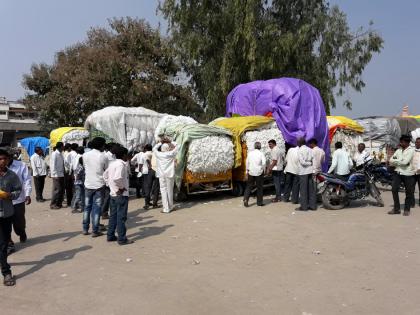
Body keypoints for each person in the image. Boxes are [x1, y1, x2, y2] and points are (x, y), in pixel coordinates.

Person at [0, 149, 22, 286]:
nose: (2, 161)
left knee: (3, 244)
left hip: (6, 214)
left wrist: (10, 195)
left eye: (4, 159)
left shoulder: (12, 175)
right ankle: (6, 269)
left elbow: (18, 190)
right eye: (0, 159)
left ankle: (6, 273)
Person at [103, 146, 133, 245]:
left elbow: (105, 175)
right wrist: (121, 188)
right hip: (121, 194)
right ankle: (122, 238)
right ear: (124, 155)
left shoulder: (113, 164)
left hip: (113, 193)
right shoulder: (121, 165)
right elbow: (117, 178)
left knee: (113, 216)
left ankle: (110, 235)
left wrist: (110, 186)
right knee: (121, 217)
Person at [82, 137, 108, 237]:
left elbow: (85, 167)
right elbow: (106, 169)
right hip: (99, 185)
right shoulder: (103, 156)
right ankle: (95, 230)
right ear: (101, 145)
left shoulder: (85, 155)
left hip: (88, 183)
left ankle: (85, 228)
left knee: (87, 207)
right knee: (96, 208)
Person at [8, 152, 32, 252]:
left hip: (18, 200)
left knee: (19, 223)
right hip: (3, 201)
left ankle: (21, 232)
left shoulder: (21, 165)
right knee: (5, 224)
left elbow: (27, 180)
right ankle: (9, 243)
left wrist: (27, 194)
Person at [388, 135, 415, 216]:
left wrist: (396, 161)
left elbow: (405, 162)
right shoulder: (398, 150)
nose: (400, 143)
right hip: (398, 172)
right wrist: (400, 161)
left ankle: (407, 209)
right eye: (400, 141)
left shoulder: (411, 150)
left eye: (402, 142)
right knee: (394, 189)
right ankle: (396, 209)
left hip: (408, 174)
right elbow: (391, 160)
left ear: (407, 142)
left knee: (409, 192)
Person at [153, 139, 178, 213]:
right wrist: (170, 141)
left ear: (161, 148)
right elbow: (178, 146)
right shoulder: (171, 153)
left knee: (163, 191)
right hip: (169, 174)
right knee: (170, 190)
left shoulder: (158, 154)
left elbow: (154, 148)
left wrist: (161, 142)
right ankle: (170, 206)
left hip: (161, 174)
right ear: (168, 148)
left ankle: (165, 208)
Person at [243, 142, 266, 207]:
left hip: (251, 172)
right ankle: (259, 203)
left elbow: (247, 163)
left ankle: (245, 199)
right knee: (259, 188)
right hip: (259, 172)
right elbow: (264, 163)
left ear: (254, 146)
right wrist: (263, 170)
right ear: (260, 147)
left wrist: (246, 172)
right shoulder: (261, 154)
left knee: (249, 186)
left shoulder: (250, 153)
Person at [297, 138, 316, 211]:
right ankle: (312, 206)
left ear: (299, 143)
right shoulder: (310, 149)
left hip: (303, 172)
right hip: (310, 171)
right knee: (311, 189)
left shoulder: (300, 150)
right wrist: (311, 165)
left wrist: (309, 163)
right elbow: (313, 160)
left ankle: (304, 207)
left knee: (303, 190)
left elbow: (302, 162)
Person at [101, 143, 116, 220]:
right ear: (110, 148)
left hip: (113, 178)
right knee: (107, 197)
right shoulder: (106, 156)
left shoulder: (114, 155)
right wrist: (106, 180)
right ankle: (104, 213)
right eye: (114, 147)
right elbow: (104, 168)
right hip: (108, 179)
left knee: (111, 197)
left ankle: (109, 212)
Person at [50, 142, 65, 209]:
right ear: (60, 147)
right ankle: (53, 204)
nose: (63, 147)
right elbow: (52, 165)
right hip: (56, 175)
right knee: (56, 190)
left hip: (61, 174)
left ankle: (59, 203)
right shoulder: (54, 154)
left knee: (61, 190)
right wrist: (54, 175)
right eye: (63, 146)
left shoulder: (60, 154)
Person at [139, 144, 154, 210]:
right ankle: (152, 201)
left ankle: (146, 203)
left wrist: (139, 170)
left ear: (145, 148)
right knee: (153, 187)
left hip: (146, 172)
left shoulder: (143, 154)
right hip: (155, 171)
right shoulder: (154, 154)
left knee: (147, 187)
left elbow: (140, 164)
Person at [71, 148, 85, 214]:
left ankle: (80, 207)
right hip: (79, 183)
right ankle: (74, 207)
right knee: (78, 196)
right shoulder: (81, 168)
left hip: (78, 182)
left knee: (79, 195)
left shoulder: (79, 165)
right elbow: (79, 176)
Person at [64, 143, 78, 207]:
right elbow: (73, 164)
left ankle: (69, 202)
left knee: (69, 188)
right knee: (73, 189)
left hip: (68, 172)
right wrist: (70, 170)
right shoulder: (75, 154)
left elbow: (66, 162)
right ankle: (72, 203)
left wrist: (67, 169)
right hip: (72, 172)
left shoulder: (69, 153)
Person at [414, 137, 420, 206]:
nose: (417, 143)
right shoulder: (412, 151)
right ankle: (411, 202)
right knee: (410, 189)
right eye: (416, 142)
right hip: (412, 173)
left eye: (418, 142)